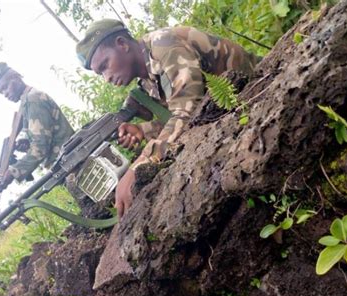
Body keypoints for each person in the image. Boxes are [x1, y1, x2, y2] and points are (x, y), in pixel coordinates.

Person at [76, 19, 260, 218]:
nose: (107, 78)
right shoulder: (146, 78)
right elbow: (182, 114)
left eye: (105, 65)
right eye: (100, 73)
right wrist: (143, 130)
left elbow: (189, 111)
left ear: (122, 44)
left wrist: (138, 167)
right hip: (234, 108)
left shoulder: (164, 46)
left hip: (259, 86)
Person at [0, 62, 75, 191]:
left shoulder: (32, 100)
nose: (5, 93)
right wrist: (25, 143)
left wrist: (12, 172)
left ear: (15, 76)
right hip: (68, 166)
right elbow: (43, 138)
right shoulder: (25, 106)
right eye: (2, 92)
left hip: (74, 164)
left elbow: (40, 147)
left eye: (5, 87)